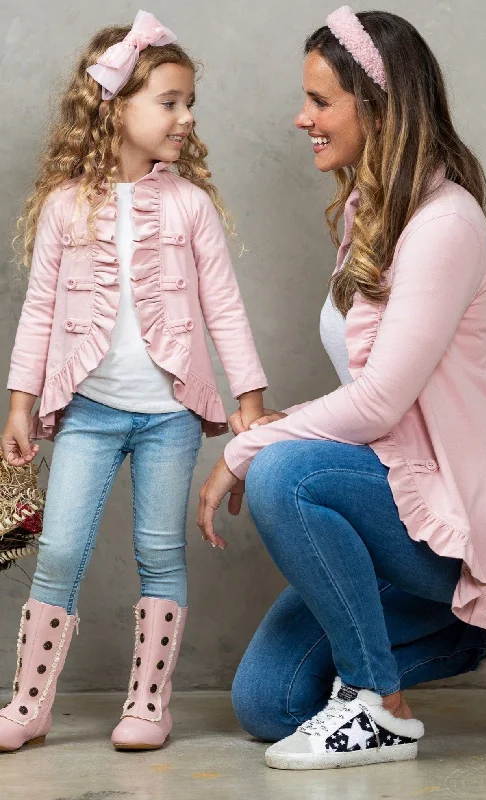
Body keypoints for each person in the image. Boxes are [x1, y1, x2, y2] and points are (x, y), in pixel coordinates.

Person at [197, 6, 486, 770]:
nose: (300, 117)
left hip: (462, 507)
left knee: (283, 474)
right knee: (268, 704)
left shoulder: (445, 223)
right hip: (398, 492)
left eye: (319, 101)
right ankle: (485, 636)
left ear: (375, 109)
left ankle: (378, 705)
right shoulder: (366, 210)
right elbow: (379, 398)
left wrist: (247, 447)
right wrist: (285, 424)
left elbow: (378, 403)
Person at [0, 10, 266, 754]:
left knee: (160, 552)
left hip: (168, 415)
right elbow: (40, 312)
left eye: (189, 103)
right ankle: (27, 703)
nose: (185, 116)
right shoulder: (63, 206)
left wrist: (248, 400)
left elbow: (225, 308)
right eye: (169, 101)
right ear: (114, 107)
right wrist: (21, 403)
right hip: (85, 410)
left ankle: (150, 704)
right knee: (57, 550)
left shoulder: (190, 207)